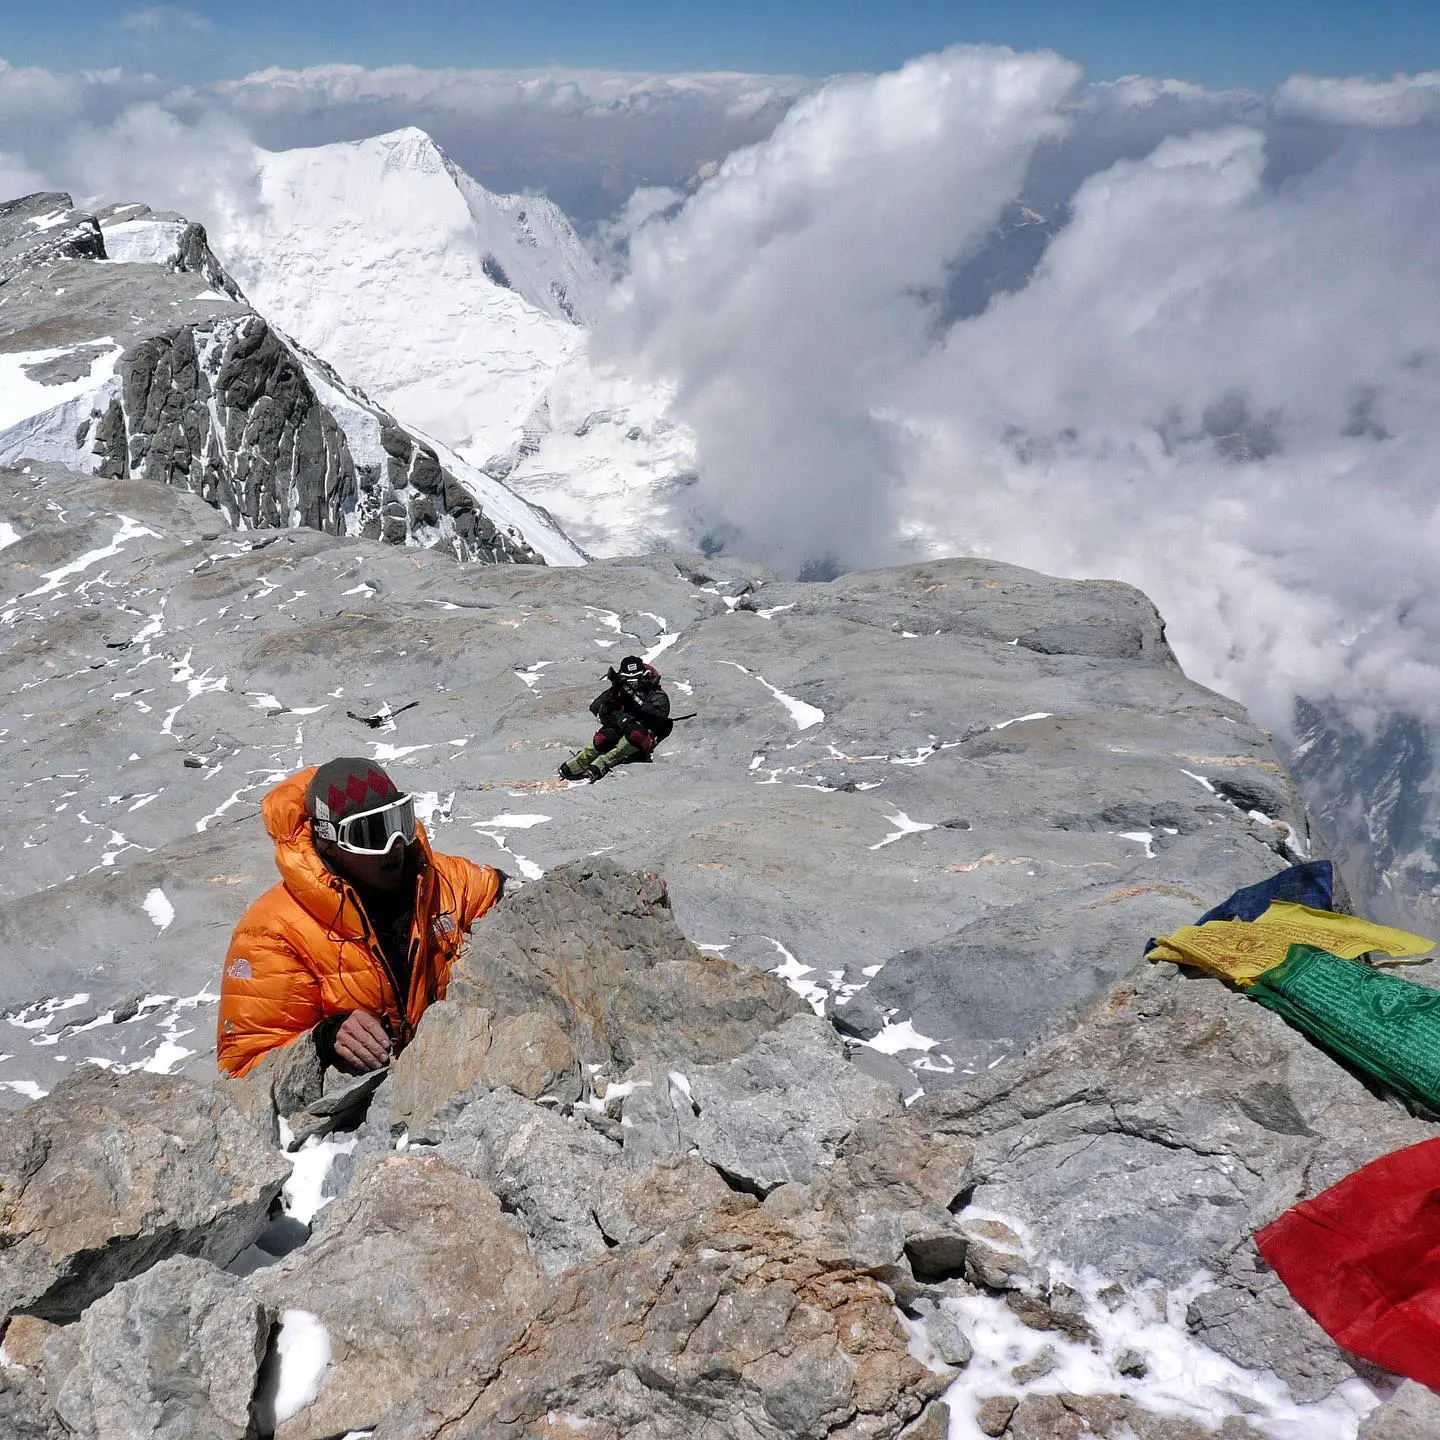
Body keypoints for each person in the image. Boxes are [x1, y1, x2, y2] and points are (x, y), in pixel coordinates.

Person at [216, 758, 504, 1078]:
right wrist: (323, 1041)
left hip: (457, 1074)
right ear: (327, 842)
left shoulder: (443, 880)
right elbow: (242, 1066)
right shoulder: (272, 934)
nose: (395, 846)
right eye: (371, 833)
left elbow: (522, 910)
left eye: (400, 821)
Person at [559, 655, 672, 782]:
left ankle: (603, 763)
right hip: (619, 728)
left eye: (636, 678)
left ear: (645, 676)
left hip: (641, 736)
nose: (633, 683)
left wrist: (629, 699)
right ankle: (579, 762)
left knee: (636, 733)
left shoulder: (657, 695)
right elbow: (596, 707)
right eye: (628, 679)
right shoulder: (619, 689)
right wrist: (616, 695)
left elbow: (655, 715)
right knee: (606, 736)